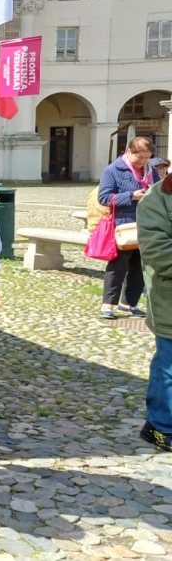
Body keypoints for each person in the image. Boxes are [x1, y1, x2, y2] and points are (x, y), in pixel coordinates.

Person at [98, 137, 156, 319]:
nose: (143, 161)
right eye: (139, 157)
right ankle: (108, 304)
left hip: (146, 224)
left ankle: (129, 303)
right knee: (118, 265)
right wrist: (131, 195)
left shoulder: (151, 170)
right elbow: (104, 197)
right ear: (128, 152)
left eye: (147, 157)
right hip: (123, 226)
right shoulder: (113, 170)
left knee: (140, 266)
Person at [137, 171, 172, 452]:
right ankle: (160, 427)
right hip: (169, 302)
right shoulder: (158, 198)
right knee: (169, 366)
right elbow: (159, 253)